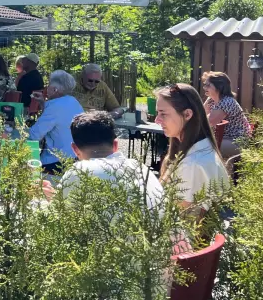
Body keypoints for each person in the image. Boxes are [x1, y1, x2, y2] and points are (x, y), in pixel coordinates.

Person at [42, 111, 165, 208]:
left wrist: (52, 198)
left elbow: (59, 213)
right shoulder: (141, 168)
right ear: (116, 145)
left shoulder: (79, 171)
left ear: (75, 149)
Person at [155, 83, 229, 216]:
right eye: (157, 113)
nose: (157, 120)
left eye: (163, 114)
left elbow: (184, 219)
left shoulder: (192, 165)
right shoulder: (202, 147)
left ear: (187, 114)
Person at [28, 70, 84, 175]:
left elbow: (34, 135)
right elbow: (58, 118)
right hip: (76, 157)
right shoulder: (73, 101)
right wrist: (42, 103)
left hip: (56, 162)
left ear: (55, 89)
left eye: (48, 85)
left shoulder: (55, 107)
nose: (46, 87)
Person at [202, 71, 251, 161]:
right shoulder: (211, 100)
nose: (204, 87)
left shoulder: (227, 102)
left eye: (208, 85)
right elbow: (200, 116)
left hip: (237, 141)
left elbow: (208, 123)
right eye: (205, 84)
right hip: (224, 138)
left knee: (203, 148)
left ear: (219, 87)